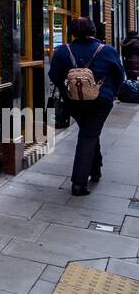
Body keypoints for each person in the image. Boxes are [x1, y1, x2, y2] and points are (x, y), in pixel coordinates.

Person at [49, 17, 124, 195]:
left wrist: (69, 91)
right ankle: (78, 184)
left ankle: (96, 170)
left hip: (73, 102)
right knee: (88, 136)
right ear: (93, 31)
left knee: (90, 133)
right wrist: (111, 93)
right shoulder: (107, 50)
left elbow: (54, 76)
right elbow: (120, 75)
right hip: (100, 101)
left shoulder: (62, 51)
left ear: (72, 32)